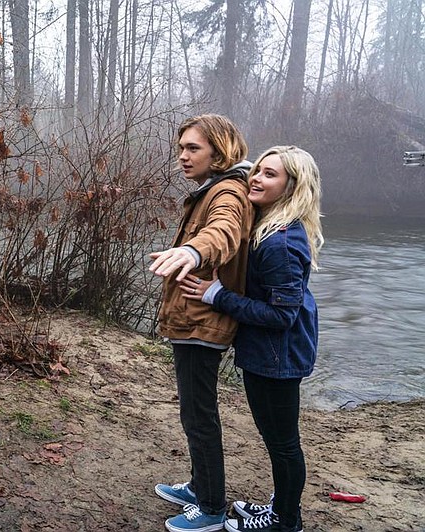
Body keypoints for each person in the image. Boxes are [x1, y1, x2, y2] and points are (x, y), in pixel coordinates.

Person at [180, 146, 323, 532]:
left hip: (277, 357)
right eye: (257, 170)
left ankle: (284, 521)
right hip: (272, 353)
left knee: (283, 444)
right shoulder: (271, 228)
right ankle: (280, 507)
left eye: (270, 175)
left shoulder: (279, 243)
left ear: (293, 187)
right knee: (280, 440)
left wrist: (217, 296)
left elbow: (281, 315)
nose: (257, 179)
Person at [148, 114, 254, 532]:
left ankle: (210, 508)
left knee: (199, 415)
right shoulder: (210, 189)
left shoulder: (228, 191)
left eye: (193, 148)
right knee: (194, 412)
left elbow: (223, 231)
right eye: (181, 149)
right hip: (192, 320)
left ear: (219, 150)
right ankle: (198, 486)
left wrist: (193, 253)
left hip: (203, 324)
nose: (182, 157)